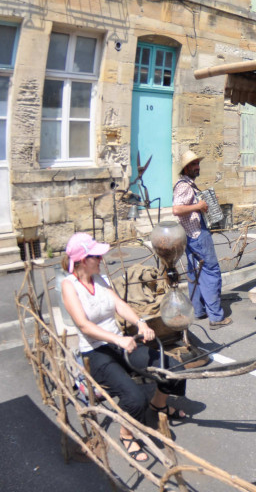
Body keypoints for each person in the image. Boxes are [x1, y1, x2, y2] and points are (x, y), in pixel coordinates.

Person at [60, 233, 188, 463]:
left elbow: (120, 305)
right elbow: (83, 325)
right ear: (81, 260)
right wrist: (117, 340)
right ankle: (126, 433)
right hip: (96, 351)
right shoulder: (69, 286)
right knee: (133, 397)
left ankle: (158, 405)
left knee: (174, 369)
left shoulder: (100, 279)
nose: (101, 259)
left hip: (120, 343)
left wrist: (140, 323)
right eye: (96, 256)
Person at [172, 150, 231, 330]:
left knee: (195, 274)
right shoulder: (183, 186)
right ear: (186, 168)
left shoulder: (190, 185)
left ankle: (198, 310)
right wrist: (198, 206)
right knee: (211, 272)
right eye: (193, 164)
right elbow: (177, 209)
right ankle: (216, 317)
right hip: (197, 234)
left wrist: (206, 202)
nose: (197, 167)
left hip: (190, 235)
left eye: (198, 163)